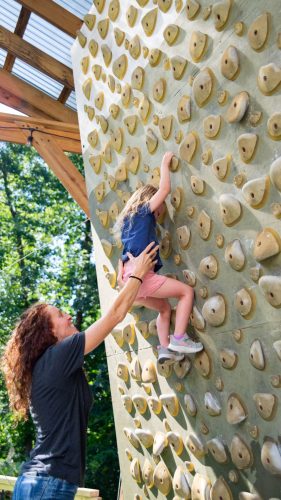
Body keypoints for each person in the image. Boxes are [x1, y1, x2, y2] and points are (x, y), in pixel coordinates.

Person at [1, 242, 158, 500]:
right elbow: (115, 315)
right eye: (61, 315)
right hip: (47, 484)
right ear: (48, 332)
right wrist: (138, 273)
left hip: (37, 482)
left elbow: (116, 310)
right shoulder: (58, 355)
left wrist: (126, 288)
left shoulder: (49, 365)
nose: (69, 317)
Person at [115, 151, 203, 365]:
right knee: (186, 292)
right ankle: (179, 338)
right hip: (142, 277)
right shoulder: (144, 212)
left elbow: (122, 257)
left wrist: (121, 279)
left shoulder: (129, 223)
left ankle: (165, 348)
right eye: (160, 207)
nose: (160, 210)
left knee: (164, 309)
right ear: (150, 200)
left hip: (130, 281)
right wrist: (164, 164)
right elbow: (164, 190)